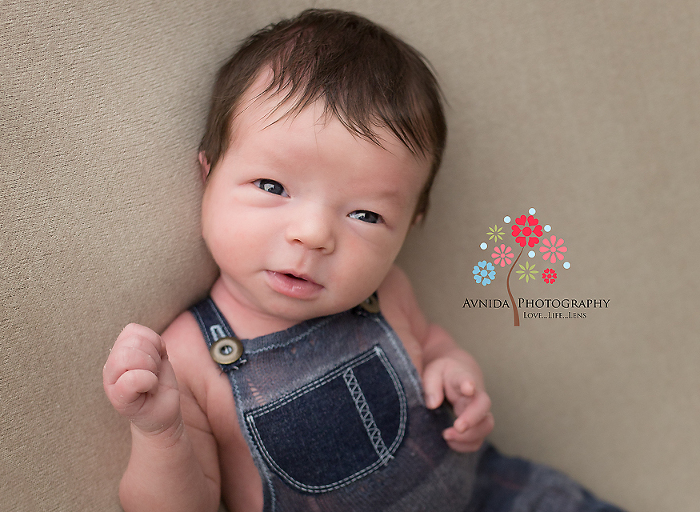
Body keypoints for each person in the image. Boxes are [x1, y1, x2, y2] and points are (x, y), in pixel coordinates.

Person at [103, 9, 625, 512]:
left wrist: (454, 369)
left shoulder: (389, 290)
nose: (312, 235)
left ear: (411, 223)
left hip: (495, 495)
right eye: (272, 186)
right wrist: (160, 430)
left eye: (366, 215)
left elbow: (430, 340)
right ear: (207, 175)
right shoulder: (187, 358)